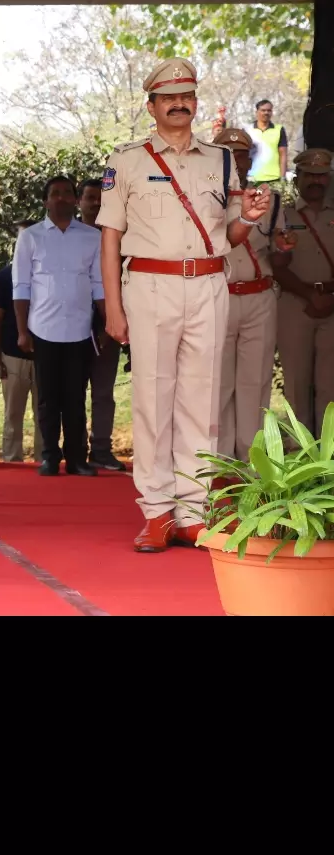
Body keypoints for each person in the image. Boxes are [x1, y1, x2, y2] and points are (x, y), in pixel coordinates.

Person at [98, 59, 272, 552]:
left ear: (195, 102)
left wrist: (251, 220)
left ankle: (193, 512)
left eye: (187, 96)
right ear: (151, 105)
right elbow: (110, 238)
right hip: (151, 285)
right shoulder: (126, 160)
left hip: (209, 285)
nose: (180, 104)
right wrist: (113, 306)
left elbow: (231, 235)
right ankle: (156, 511)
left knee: (202, 398)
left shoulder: (218, 160)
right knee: (153, 398)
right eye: (169, 97)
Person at [13, 177, 104, 476]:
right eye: (55, 194)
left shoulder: (92, 237)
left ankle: (77, 459)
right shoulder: (31, 237)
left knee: (76, 399)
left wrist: (106, 323)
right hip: (43, 330)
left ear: (76, 200)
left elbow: (99, 284)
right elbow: (21, 286)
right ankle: (50, 457)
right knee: (48, 399)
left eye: (67, 193)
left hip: (80, 329)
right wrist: (23, 331)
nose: (62, 198)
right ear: (45, 201)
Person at [213, 126, 284, 459]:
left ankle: (252, 462)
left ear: (248, 160)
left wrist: (286, 248)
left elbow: (279, 249)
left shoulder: (268, 199)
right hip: (219, 296)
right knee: (218, 383)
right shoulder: (202, 199)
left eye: (239, 155)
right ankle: (221, 463)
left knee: (255, 383)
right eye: (226, 155)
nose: (233, 161)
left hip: (259, 296)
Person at [273, 147, 334, 436]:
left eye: (321, 175)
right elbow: (276, 264)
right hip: (294, 306)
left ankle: (328, 456)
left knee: (330, 386)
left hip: (332, 308)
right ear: (297, 179)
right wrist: (310, 295)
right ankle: (300, 453)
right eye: (309, 174)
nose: (316, 181)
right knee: (297, 384)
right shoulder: (282, 215)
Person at [77, 179, 126, 470]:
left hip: (108, 328)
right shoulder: (70, 237)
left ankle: (101, 449)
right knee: (74, 392)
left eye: (101, 199)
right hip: (71, 328)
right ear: (79, 202)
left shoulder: (119, 237)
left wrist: (111, 322)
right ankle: (76, 448)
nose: (96, 204)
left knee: (104, 393)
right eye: (90, 198)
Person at [0, 227, 43, 463]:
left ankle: (45, 458)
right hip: (12, 355)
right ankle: (11, 459)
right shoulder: (3, 277)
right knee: (12, 414)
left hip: (45, 355)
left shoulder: (47, 274)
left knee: (45, 414)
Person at [247, 100, 288, 186]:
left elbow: (283, 155)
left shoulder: (279, 129)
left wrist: (283, 178)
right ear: (257, 112)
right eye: (263, 110)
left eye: (269, 110)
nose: (266, 113)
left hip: (274, 178)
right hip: (252, 178)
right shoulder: (247, 130)